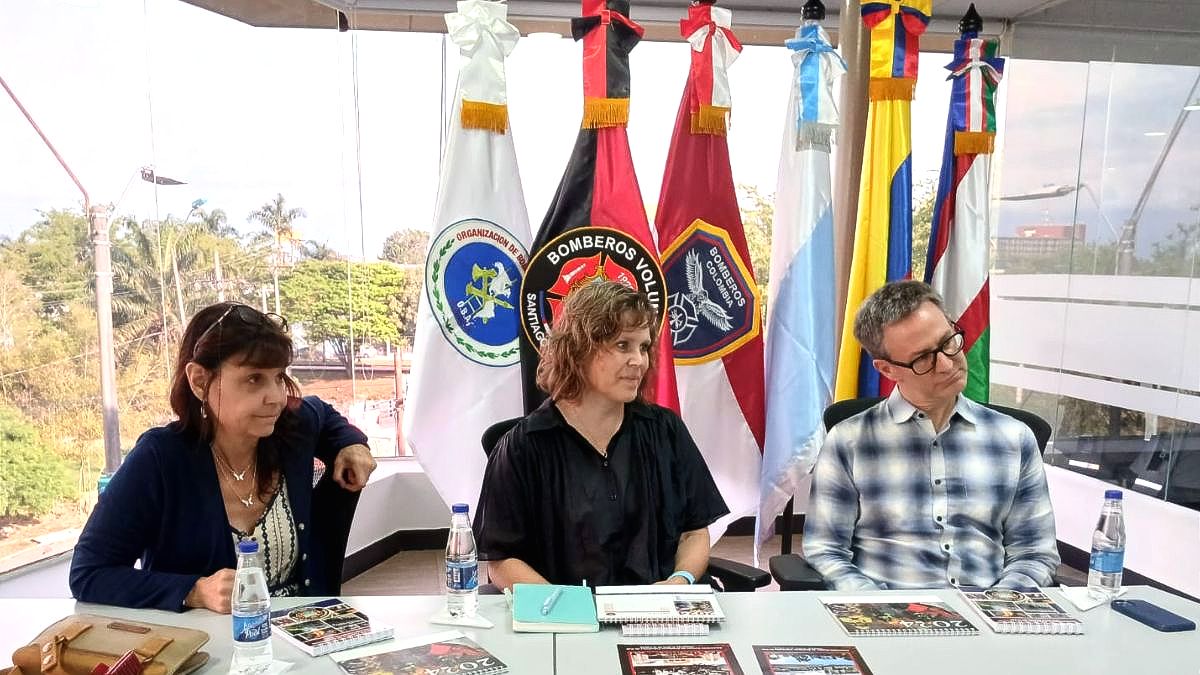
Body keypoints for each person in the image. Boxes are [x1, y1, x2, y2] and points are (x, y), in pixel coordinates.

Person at [70, 303, 378, 612]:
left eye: (279, 377)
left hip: (307, 637)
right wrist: (193, 591)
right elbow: (89, 573)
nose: (276, 397)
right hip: (209, 650)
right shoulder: (159, 459)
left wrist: (352, 443)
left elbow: (321, 414)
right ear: (199, 381)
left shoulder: (292, 431)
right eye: (254, 379)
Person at [803, 280, 1060, 591]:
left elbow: (1034, 552)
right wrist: (875, 606)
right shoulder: (849, 441)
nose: (946, 364)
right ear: (887, 369)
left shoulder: (1014, 438)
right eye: (923, 358)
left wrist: (1000, 608)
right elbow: (826, 550)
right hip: (888, 622)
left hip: (990, 618)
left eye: (948, 342)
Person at [473, 280, 728, 589]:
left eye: (644, 347)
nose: (639, 361)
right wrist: (568, 609)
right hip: (565, 623)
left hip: (656, 617)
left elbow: (694, 532)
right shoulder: (522, 446)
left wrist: (680, 580)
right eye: (623, 345)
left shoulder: (666, 431)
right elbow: (502, 561)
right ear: (578, 349)